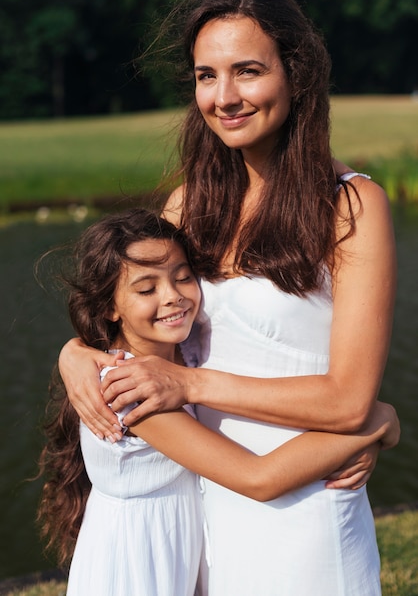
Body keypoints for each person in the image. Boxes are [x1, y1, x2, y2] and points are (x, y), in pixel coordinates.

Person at [58, 0, 398, 596]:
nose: (224, 97)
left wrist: (191, 384)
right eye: (205, 76)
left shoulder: (352, 206)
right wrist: (76, 352)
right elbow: (142, 322)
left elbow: (349, 401)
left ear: (296, 75)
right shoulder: (189, 205)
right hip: (206, 506)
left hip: (307, 504)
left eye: (247, 72)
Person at [37, 208, 397, 596]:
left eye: (183, 278)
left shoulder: (184, 355)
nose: (172, 297)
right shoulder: (128, 391)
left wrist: (71, 350)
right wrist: (374, 423)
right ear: (109, 306)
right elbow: (258, 478)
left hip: (177, 554)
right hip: (133, 568)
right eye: (146, 289)